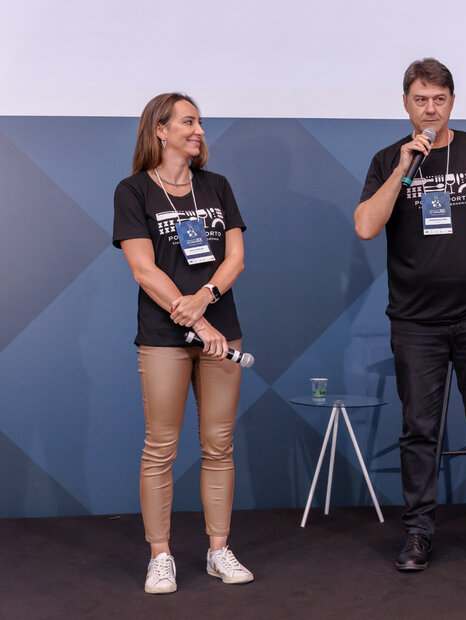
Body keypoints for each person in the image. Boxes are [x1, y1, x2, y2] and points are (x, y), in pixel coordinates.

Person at [355, 58, 466, 572]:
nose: (430, 109)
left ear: (452, 101)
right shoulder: (389, 158)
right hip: (415, 321)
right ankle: (418, 533)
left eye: (439, 99)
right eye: (420, 100)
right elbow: (366, 226)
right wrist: (403, 170)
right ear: (405, 104)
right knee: (419, 431)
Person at [113, 93, 253, 594]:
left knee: (219, 446)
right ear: (160, 130)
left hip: (221, 331)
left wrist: (207, 298)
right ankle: (161, 556)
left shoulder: (216, 186)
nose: (198, 130)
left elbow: (234, 257)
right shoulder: (133, 191)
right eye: (188, 121)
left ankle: (219, 551)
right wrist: (195, 320)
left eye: (200, 122)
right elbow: (142, 269)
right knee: (160, 449)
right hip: (164, 339)